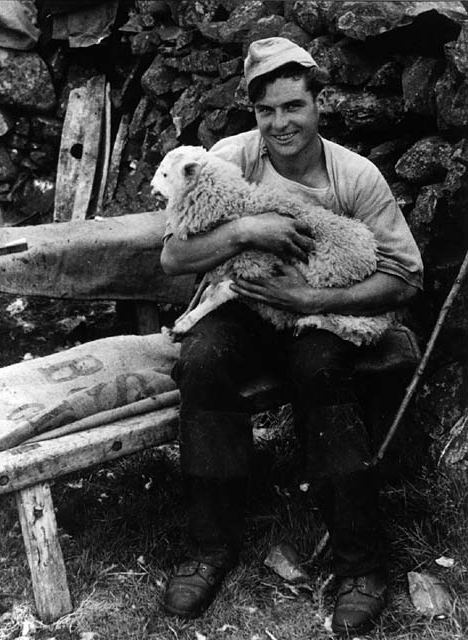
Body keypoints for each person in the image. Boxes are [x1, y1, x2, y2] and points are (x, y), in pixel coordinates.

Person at [159, 37, 423, 636]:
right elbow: (175, 256)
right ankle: (208, 545)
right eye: (266, 110)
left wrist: (309, 300)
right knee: (201, 361)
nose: (280, 123)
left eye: (293, 106)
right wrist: (250, 227)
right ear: (253, 112)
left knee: (318, 370)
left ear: (317, 101)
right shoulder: (230, 157)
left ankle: (360, 563)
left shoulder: (354, 176)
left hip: (319, 312)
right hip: (247, 304)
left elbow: (404, 277)